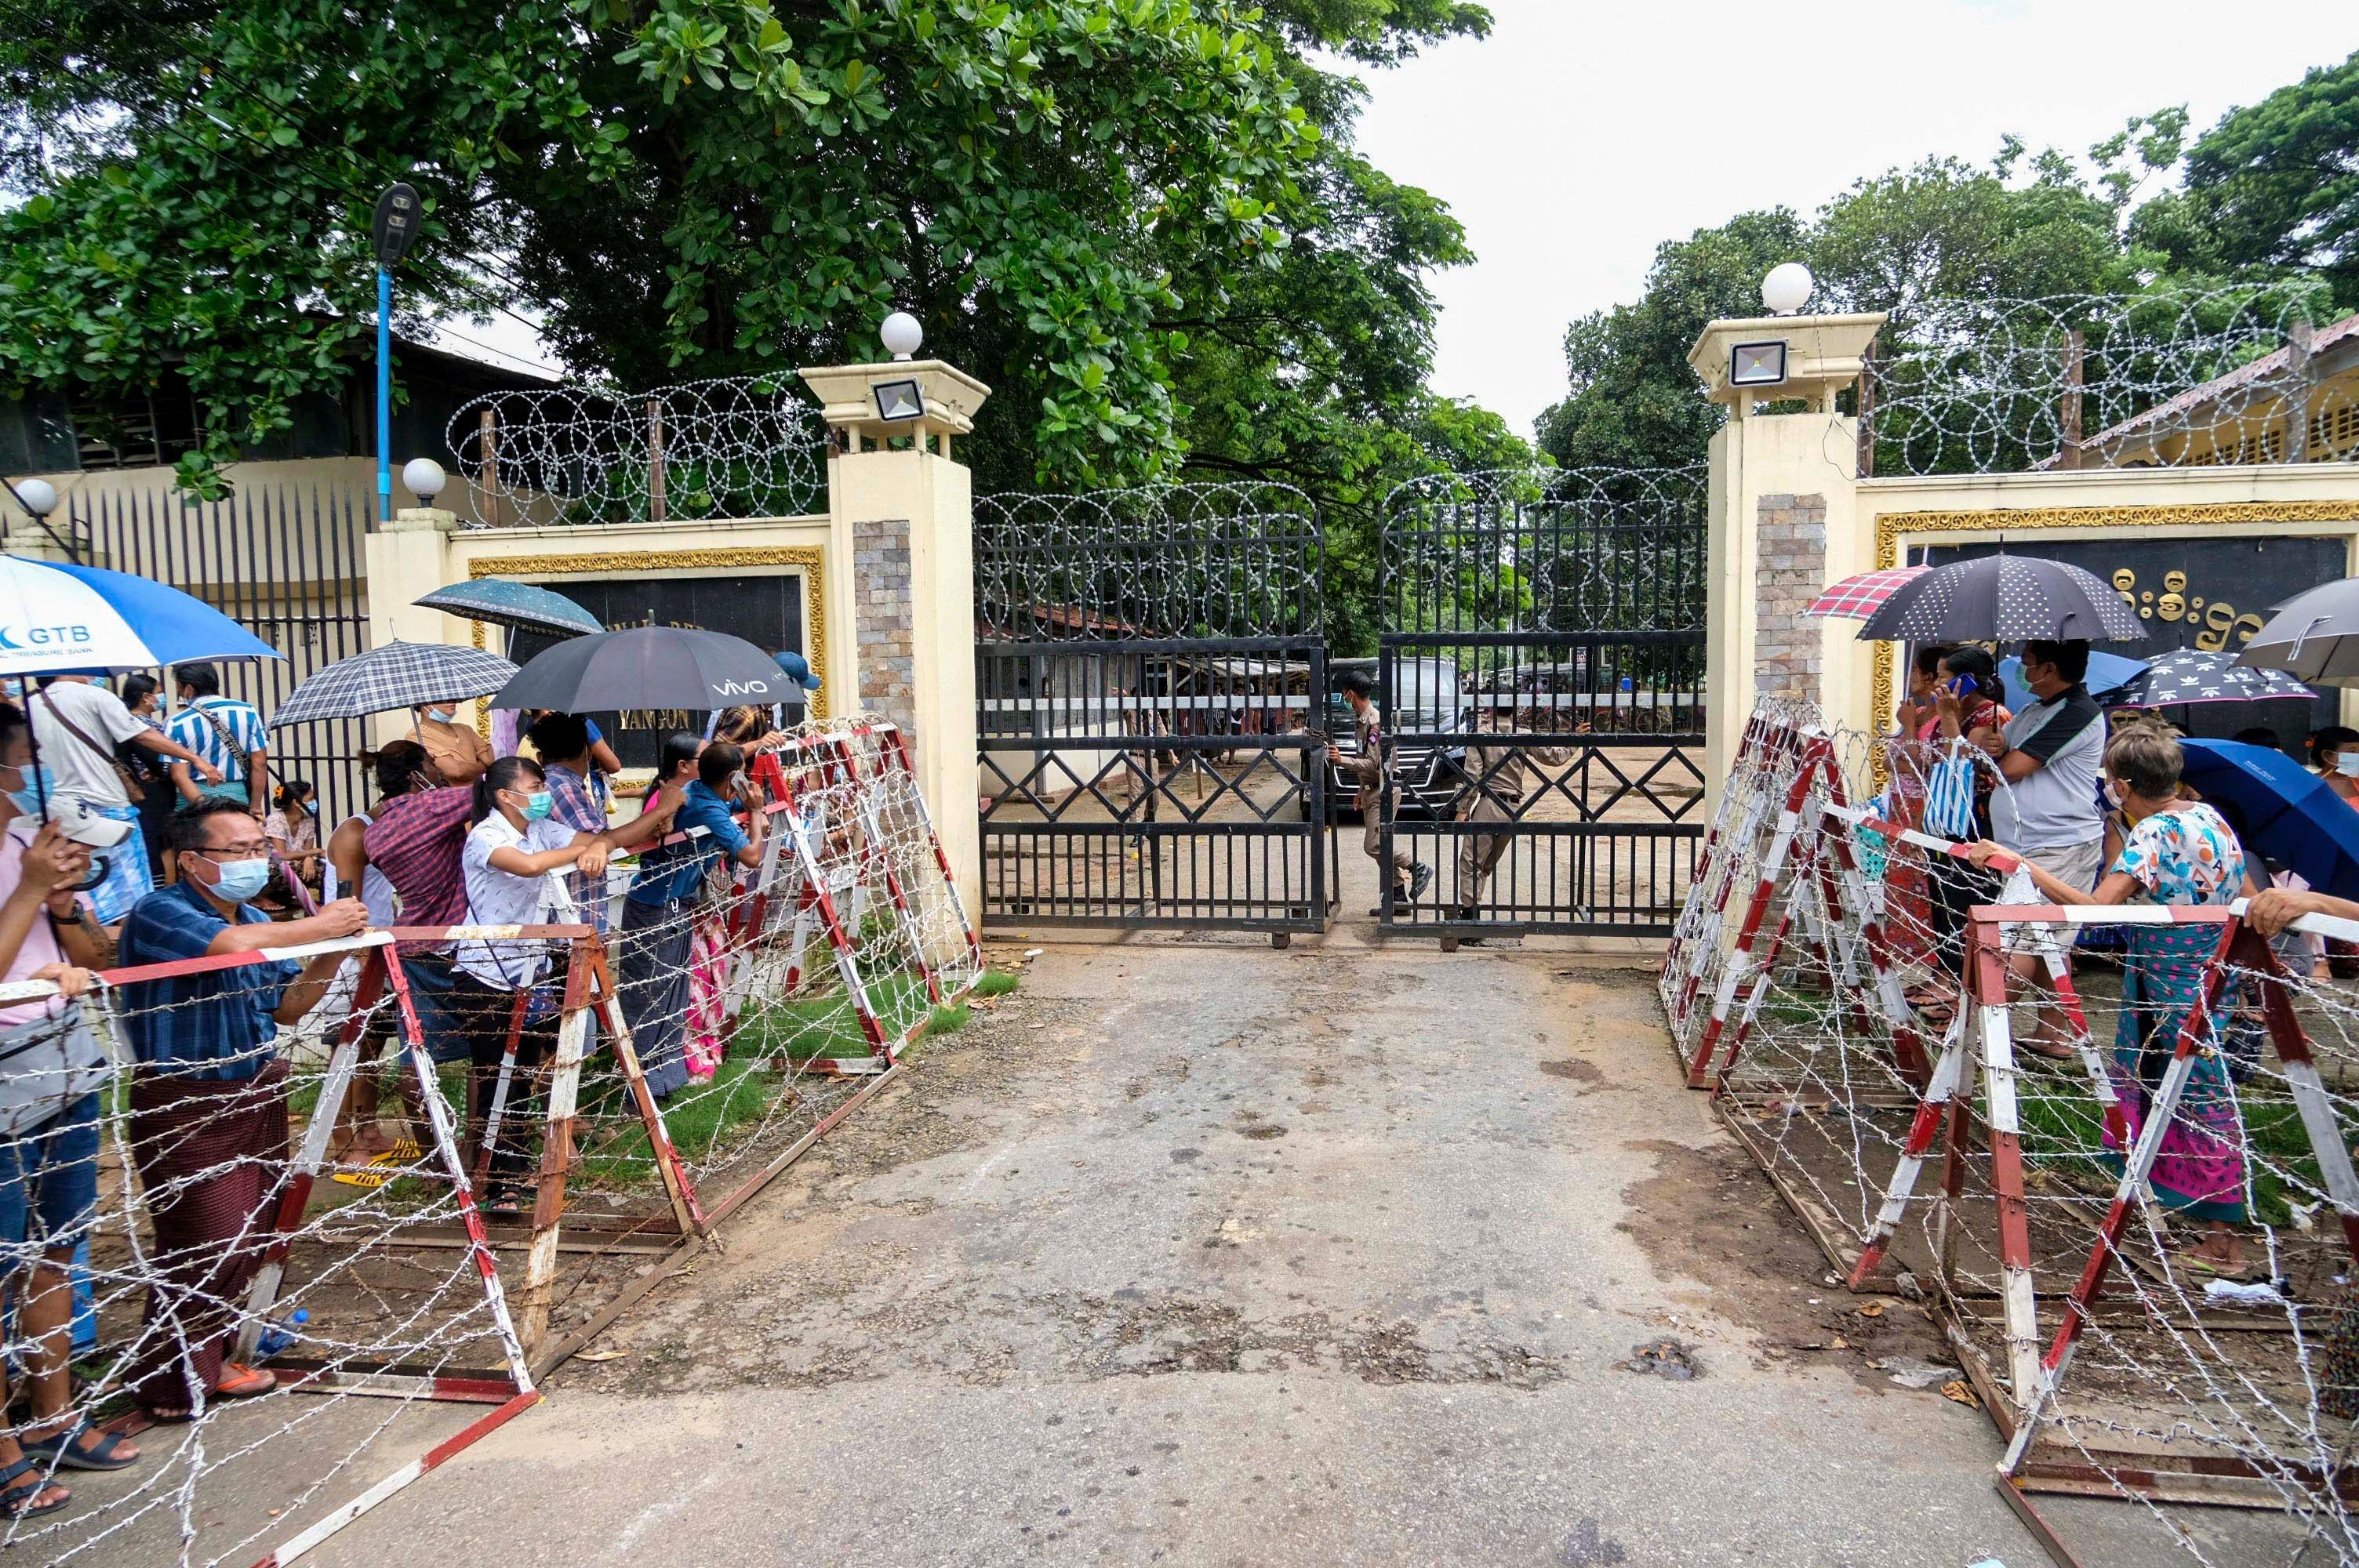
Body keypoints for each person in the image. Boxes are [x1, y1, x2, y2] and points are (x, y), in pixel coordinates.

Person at [1965, 725, 2262, 1277]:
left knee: (2189, 1094)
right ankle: (2172, 1210)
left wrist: (2022, 864)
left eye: (2109, 781)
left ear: (2123, 786)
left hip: (2166, 986)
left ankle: (2223, 1243)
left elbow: (2096, 909)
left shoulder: (2151, 834)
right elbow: (2242, 894)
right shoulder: (2211, 819)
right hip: (2209, 976)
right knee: (2194, 1092)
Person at [114, 800, 368, 1420]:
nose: (259, 860)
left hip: (254, 1088)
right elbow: (228, 946)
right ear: (192, 861)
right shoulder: (160, 913)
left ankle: (206, 1362)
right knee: (209, 1242)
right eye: (241, 851)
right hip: (186, 1099)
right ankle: (171, 1385)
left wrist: (334, 951)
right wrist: (321, 926)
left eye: (262, 847)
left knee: (250, 1234)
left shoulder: (255, 914)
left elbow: (287, 1006)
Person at [0, 706, 136, 1514]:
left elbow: (94, 956)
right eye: (21, 758)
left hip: (62, 1057)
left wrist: (65, 906)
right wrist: (30, 887)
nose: (31, 775)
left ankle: (54, 1412)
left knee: (57, 1245)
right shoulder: (26, 858)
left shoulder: (29, 840)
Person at [451, 757, 675, 1208]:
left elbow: (609, 840)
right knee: (501, 1079)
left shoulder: (543, 830)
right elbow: (529, 867)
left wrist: (659, 809)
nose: (543, 794)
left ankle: (528, 1157)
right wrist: (587, 849)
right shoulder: (485, 836)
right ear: (505, 796)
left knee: (536, 1062)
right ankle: (500, 1184)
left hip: (532, 969)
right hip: (487, 973)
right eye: (535, 786)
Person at [1981, 639, 2108, 1057]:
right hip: (2026, 844)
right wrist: (1994, 745)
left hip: (2060, 844)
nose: (2024, 671)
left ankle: (1986, 1032)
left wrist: (2001, 758)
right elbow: (2000, 753)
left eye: (2030, 664)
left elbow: (2015, 768)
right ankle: (2052, 1034)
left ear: (2050, 668)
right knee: (2050, 941)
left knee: (2014, 939)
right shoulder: (2037, 710)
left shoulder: (2078, 712)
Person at [617, 739, 761, 1098]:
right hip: (656, 907)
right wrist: (756, 812)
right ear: (733, 779)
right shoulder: (709, 811)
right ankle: (639, 1089)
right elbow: (753, 856)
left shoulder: (698, 791)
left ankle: (667, 1081)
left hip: (677, 905)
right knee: (651, 998)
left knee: (673, 995)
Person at [27, 673, 221, 925]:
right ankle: (135, 947)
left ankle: (95, 943)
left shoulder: (31, 705)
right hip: (108, 808)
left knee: (85, 887)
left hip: (60, 811)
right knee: (131, 894)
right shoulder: (95, 696)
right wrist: (195, 758)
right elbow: (142, 735)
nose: (91, 675)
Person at [1917, 647, 2012, 986]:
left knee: (1963, 898)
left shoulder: (1992, 717)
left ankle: (1963, 983)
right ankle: (1944, 974)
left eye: (1944, 677)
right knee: (1940, 897)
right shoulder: (1950, 711)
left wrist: (1948, 717)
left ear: (1967, 680)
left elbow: (1957, 765)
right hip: (1942, 817)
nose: (1937, 683)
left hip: (1973, 822)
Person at [1448, 699, 1572, 934]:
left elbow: (1472, 777)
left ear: (1491, 709)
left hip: (1488, 806)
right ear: (1514, 709)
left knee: (1471, 862)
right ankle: (1471, 910)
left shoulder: (1481, 735)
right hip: (1513, 810)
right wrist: (1576, 741)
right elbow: (1554, 757)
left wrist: (1463, 810)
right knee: (1485, 865)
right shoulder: (1523, 734)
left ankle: (1470, 918)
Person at [1324, 670, 1430, 917]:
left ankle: (1417, 866)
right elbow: (1368, 760)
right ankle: (1398, 899)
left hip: (1384, 791)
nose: (1344, 697)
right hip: (1373, 790)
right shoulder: (1361, 720)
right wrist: (1361, 790)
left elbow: (1374, 764)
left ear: (1351, 693)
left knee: (1373, 846)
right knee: (1380, 847)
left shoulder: (1374, 722)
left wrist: (1342, 760)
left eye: (1344, 693)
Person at [523, 713, 612, 932]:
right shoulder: (564, 789)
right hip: (572, 918)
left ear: (540, 758)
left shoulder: (550, 786)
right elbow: (602, 839)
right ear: (588, 752)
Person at [165, 663, 267, 816]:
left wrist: (205, 806)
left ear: (189, 689)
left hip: (192, 801)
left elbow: (179, 776)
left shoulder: (177, 722)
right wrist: (256, 806)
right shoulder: (248, 712)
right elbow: (259, 764)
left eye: (179, 688)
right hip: (236, 797)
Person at [117, 673, 177, 882]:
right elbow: (161, 761)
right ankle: (165, 887)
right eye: (159, 693)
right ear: (145, 697)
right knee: (163, 843)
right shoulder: (142, 727)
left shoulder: (122, 722)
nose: (162, 698)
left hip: (138, 791)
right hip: (155, 793)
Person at [262, 780, 322, 909]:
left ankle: (312, 900)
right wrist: (313, 853)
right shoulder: (276, 820)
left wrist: (309, 858)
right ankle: (261, 898)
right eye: (310, 799)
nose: (314, 803)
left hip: (295, 863)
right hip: (272, 867)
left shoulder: (308, 820)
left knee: (323, 868)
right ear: (296, 802)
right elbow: (281, 856)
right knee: (285, 868)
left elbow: (308, 850)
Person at [412, 701, 493, 786]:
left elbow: (490, 760)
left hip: (481, 793)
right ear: (424, 703)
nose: (451, 701)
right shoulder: (417, 735)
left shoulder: (464, 729)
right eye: (442, 697)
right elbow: (457, 771)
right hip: (453, 797)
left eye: (451, 696)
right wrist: (484, 767)